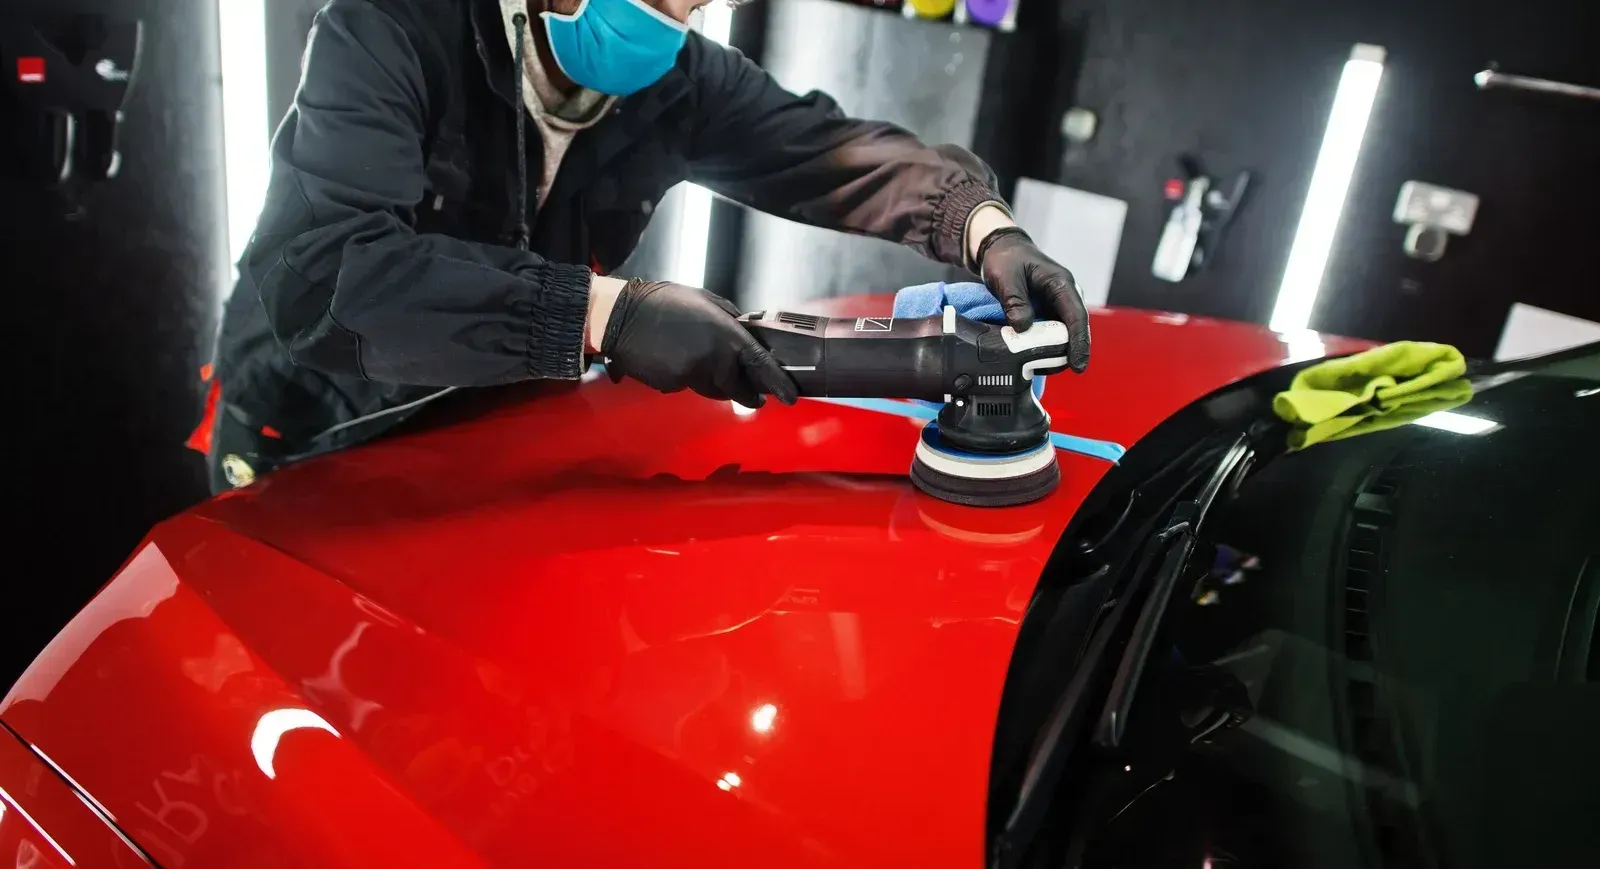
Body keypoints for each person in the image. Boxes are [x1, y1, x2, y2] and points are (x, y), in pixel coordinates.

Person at [196, 0, 1091, 492]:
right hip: (312, 428)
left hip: (478, 442)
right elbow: (330, 276)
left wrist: (981, 225)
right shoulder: (390, 27)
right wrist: (601, 313)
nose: (683, 19)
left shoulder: (674, 73)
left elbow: (829, 152)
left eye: (700, 2)